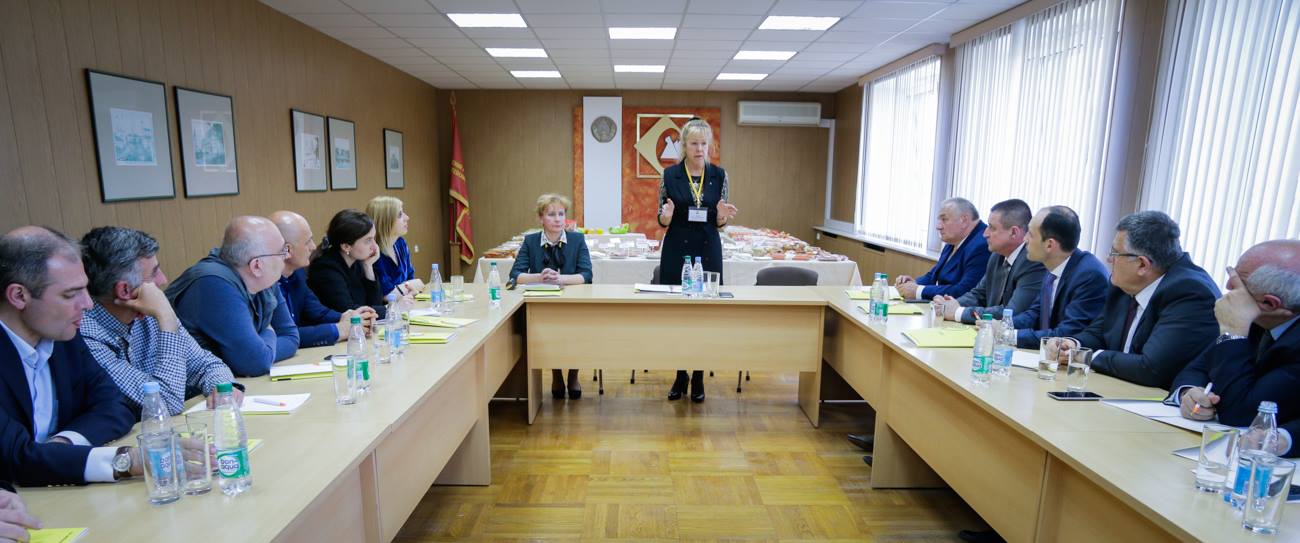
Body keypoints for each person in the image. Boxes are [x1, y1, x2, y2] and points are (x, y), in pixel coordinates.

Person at [0, 226, 139, 486]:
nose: (88, 304)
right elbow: (14, 458)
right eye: (70, 294)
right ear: (19, 296)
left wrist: (65, 442)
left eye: (85, 289)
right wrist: (126, 461)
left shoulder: (63, 336)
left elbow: (115, 406)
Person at [78, 227, 240, 416]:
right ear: (124, 290)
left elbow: (207, 365)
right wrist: (167, 320)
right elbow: (165, 403)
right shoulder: (85, 337)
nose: (163, 279)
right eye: (154, 273)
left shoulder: (148, 312)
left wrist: (222, 389)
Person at [1169, 239, 1299, 457]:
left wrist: (1232, 331)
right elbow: (1196, 368)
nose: (1228, 287)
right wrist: (1189, 393)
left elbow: (1239, 413)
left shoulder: (1245, 320)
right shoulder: (1260, 318)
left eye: (1239, 282)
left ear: (1269, 303)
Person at [1073, 211, 1220, 388]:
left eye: (1115, 253)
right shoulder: (1126, 284)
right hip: (1117, 388)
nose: (1109, 259)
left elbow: (1150, 369)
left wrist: (1088, 356)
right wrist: (1073, 345)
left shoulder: (1190, 293)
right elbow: (1099, 332)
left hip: (1156, 399)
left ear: (1142, 265)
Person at [656, 118, 739, 403]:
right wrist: (665, 216)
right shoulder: (670, 175)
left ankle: (699, 375)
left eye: (704, 143)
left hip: (707, 249)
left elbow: (720, 221)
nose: (699, 149)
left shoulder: (720, 175)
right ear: (684, 145)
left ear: (710, 145)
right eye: (694, 143)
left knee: (705, 314)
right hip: (677, 249)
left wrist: (722, 217)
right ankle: (680, 374)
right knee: (678, 314)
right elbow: (662, 217)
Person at [166, 216, 299, 377]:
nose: (287, 256)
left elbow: (291, 337)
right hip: (193, 389)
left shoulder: (265, 277)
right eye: (281, 251)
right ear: (256, 266)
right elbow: (255, 363)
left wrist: (263, 349)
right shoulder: (213, 283)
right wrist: (269, 331)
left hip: (232, 382)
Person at [510, 194, 594, 400]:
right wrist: (539, 277)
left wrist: (560, 278)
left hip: (573, 303)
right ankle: (556, 374)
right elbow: (515, 275)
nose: (557, 219)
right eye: (551, 214)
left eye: (561, 214)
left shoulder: (577, 239)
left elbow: (586, 275)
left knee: (576, 329)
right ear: (541, 218)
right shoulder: (530, 241)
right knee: (546, 329)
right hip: (543, 304)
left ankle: (573, 375)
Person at [270, 211, 375, 348]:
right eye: (308, 242)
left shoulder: (297, 273)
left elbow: (318, 312)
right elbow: (282, 335)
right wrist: (338, 330)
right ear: (288, 250)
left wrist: (345, 317)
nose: (313, 247)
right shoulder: (265, 283)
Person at [1011, 206, 1109, 348]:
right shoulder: (1054, 266)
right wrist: (1001, 326)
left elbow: (1066, 333)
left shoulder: (1089, 276)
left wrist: (1011, 336)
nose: (1025, 239)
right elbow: (1035, 313)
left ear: (1049, 245)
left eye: (1030, 234)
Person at [936, 199, 1045, 324]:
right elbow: (979, 294)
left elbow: (1012, 313)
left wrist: (958, 312)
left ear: (1014, 232)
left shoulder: (1032, 261)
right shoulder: (997, 255)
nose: (985, 233)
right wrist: (952, 304)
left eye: (992, 228)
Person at [896, 198, 991, 301]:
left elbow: (965, 290)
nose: (938, 226)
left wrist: (918, 291)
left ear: (964, 220)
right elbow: (934, 275)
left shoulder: (982, 245)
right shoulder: (954, 239)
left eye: (944, 219)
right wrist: (912, 284)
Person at [307, 209, 388, 320]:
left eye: (374, 238)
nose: (374, 246)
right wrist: (391, 309)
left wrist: (368, 267)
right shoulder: (325, 269)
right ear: (346, 246)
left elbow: (374, 303)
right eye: (368, 240)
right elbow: (349, 311)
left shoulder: (357, 261)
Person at [367, 196, 425, 298]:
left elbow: (415, 281)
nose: (407, 218)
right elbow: (387, 295)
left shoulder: (400, 243)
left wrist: (403, 289)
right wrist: (411, 287)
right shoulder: (373, 252)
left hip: (406, 303)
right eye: (400, 215)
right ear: (385, 221)